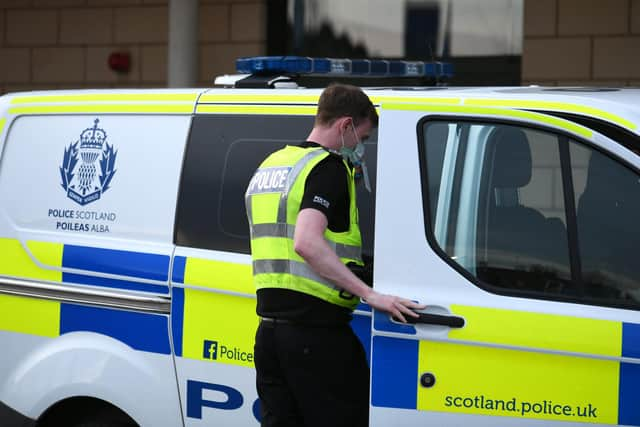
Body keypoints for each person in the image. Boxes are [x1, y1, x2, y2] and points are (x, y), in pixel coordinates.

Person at [245, 83, 425, 427]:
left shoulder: (273, 165)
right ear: (345, 126)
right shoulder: (327, 168)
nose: (361, 147)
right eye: (363, 137)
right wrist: (371, 294)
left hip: (269, 335)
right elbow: (307, 243)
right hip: (316, 338)